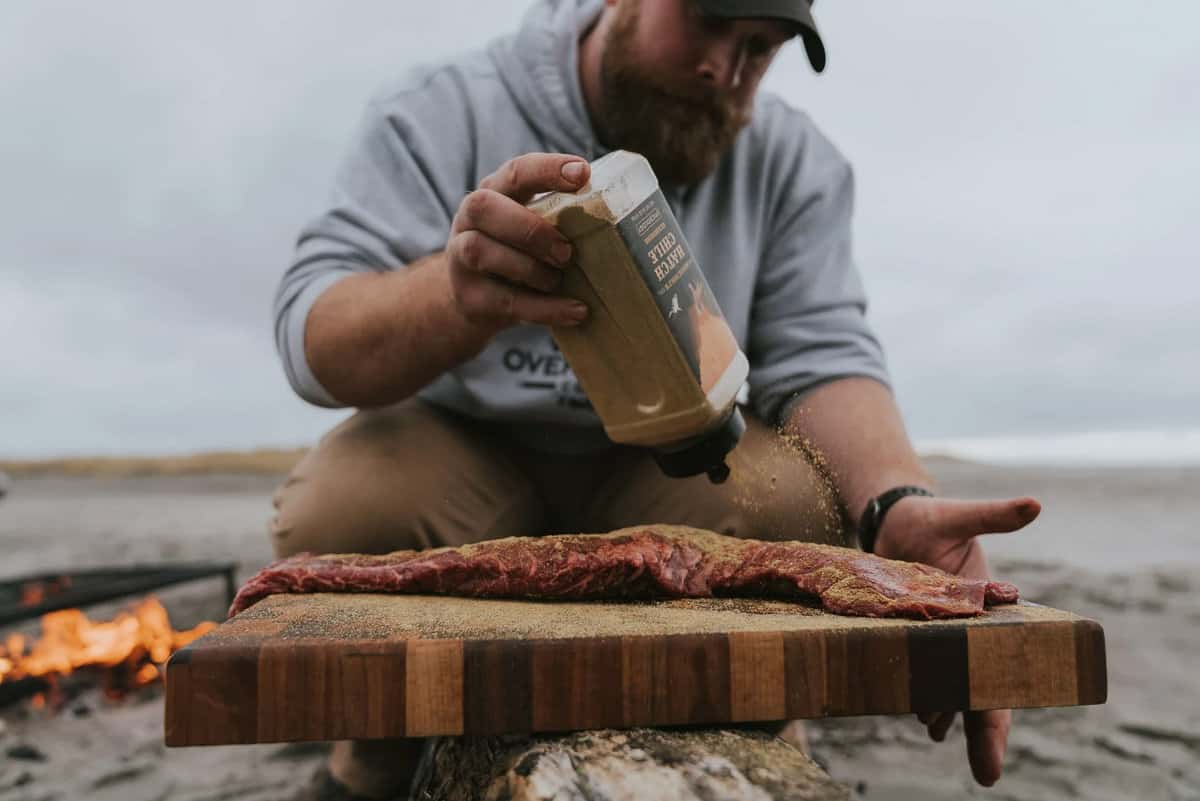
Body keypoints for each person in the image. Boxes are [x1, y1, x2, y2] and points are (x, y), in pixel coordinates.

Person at [271, 1, 1040, 797]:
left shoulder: (791, 160)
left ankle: (753, 727)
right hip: (462, 455)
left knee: (797, 503)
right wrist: (453, 292)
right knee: (341, 512)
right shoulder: (442, 107)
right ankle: (376, 760)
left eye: (759, 48)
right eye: (707, 21)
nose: (725, 69)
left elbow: (824, 355)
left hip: (675, 468)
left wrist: (895, 503)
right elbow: (311, 337)